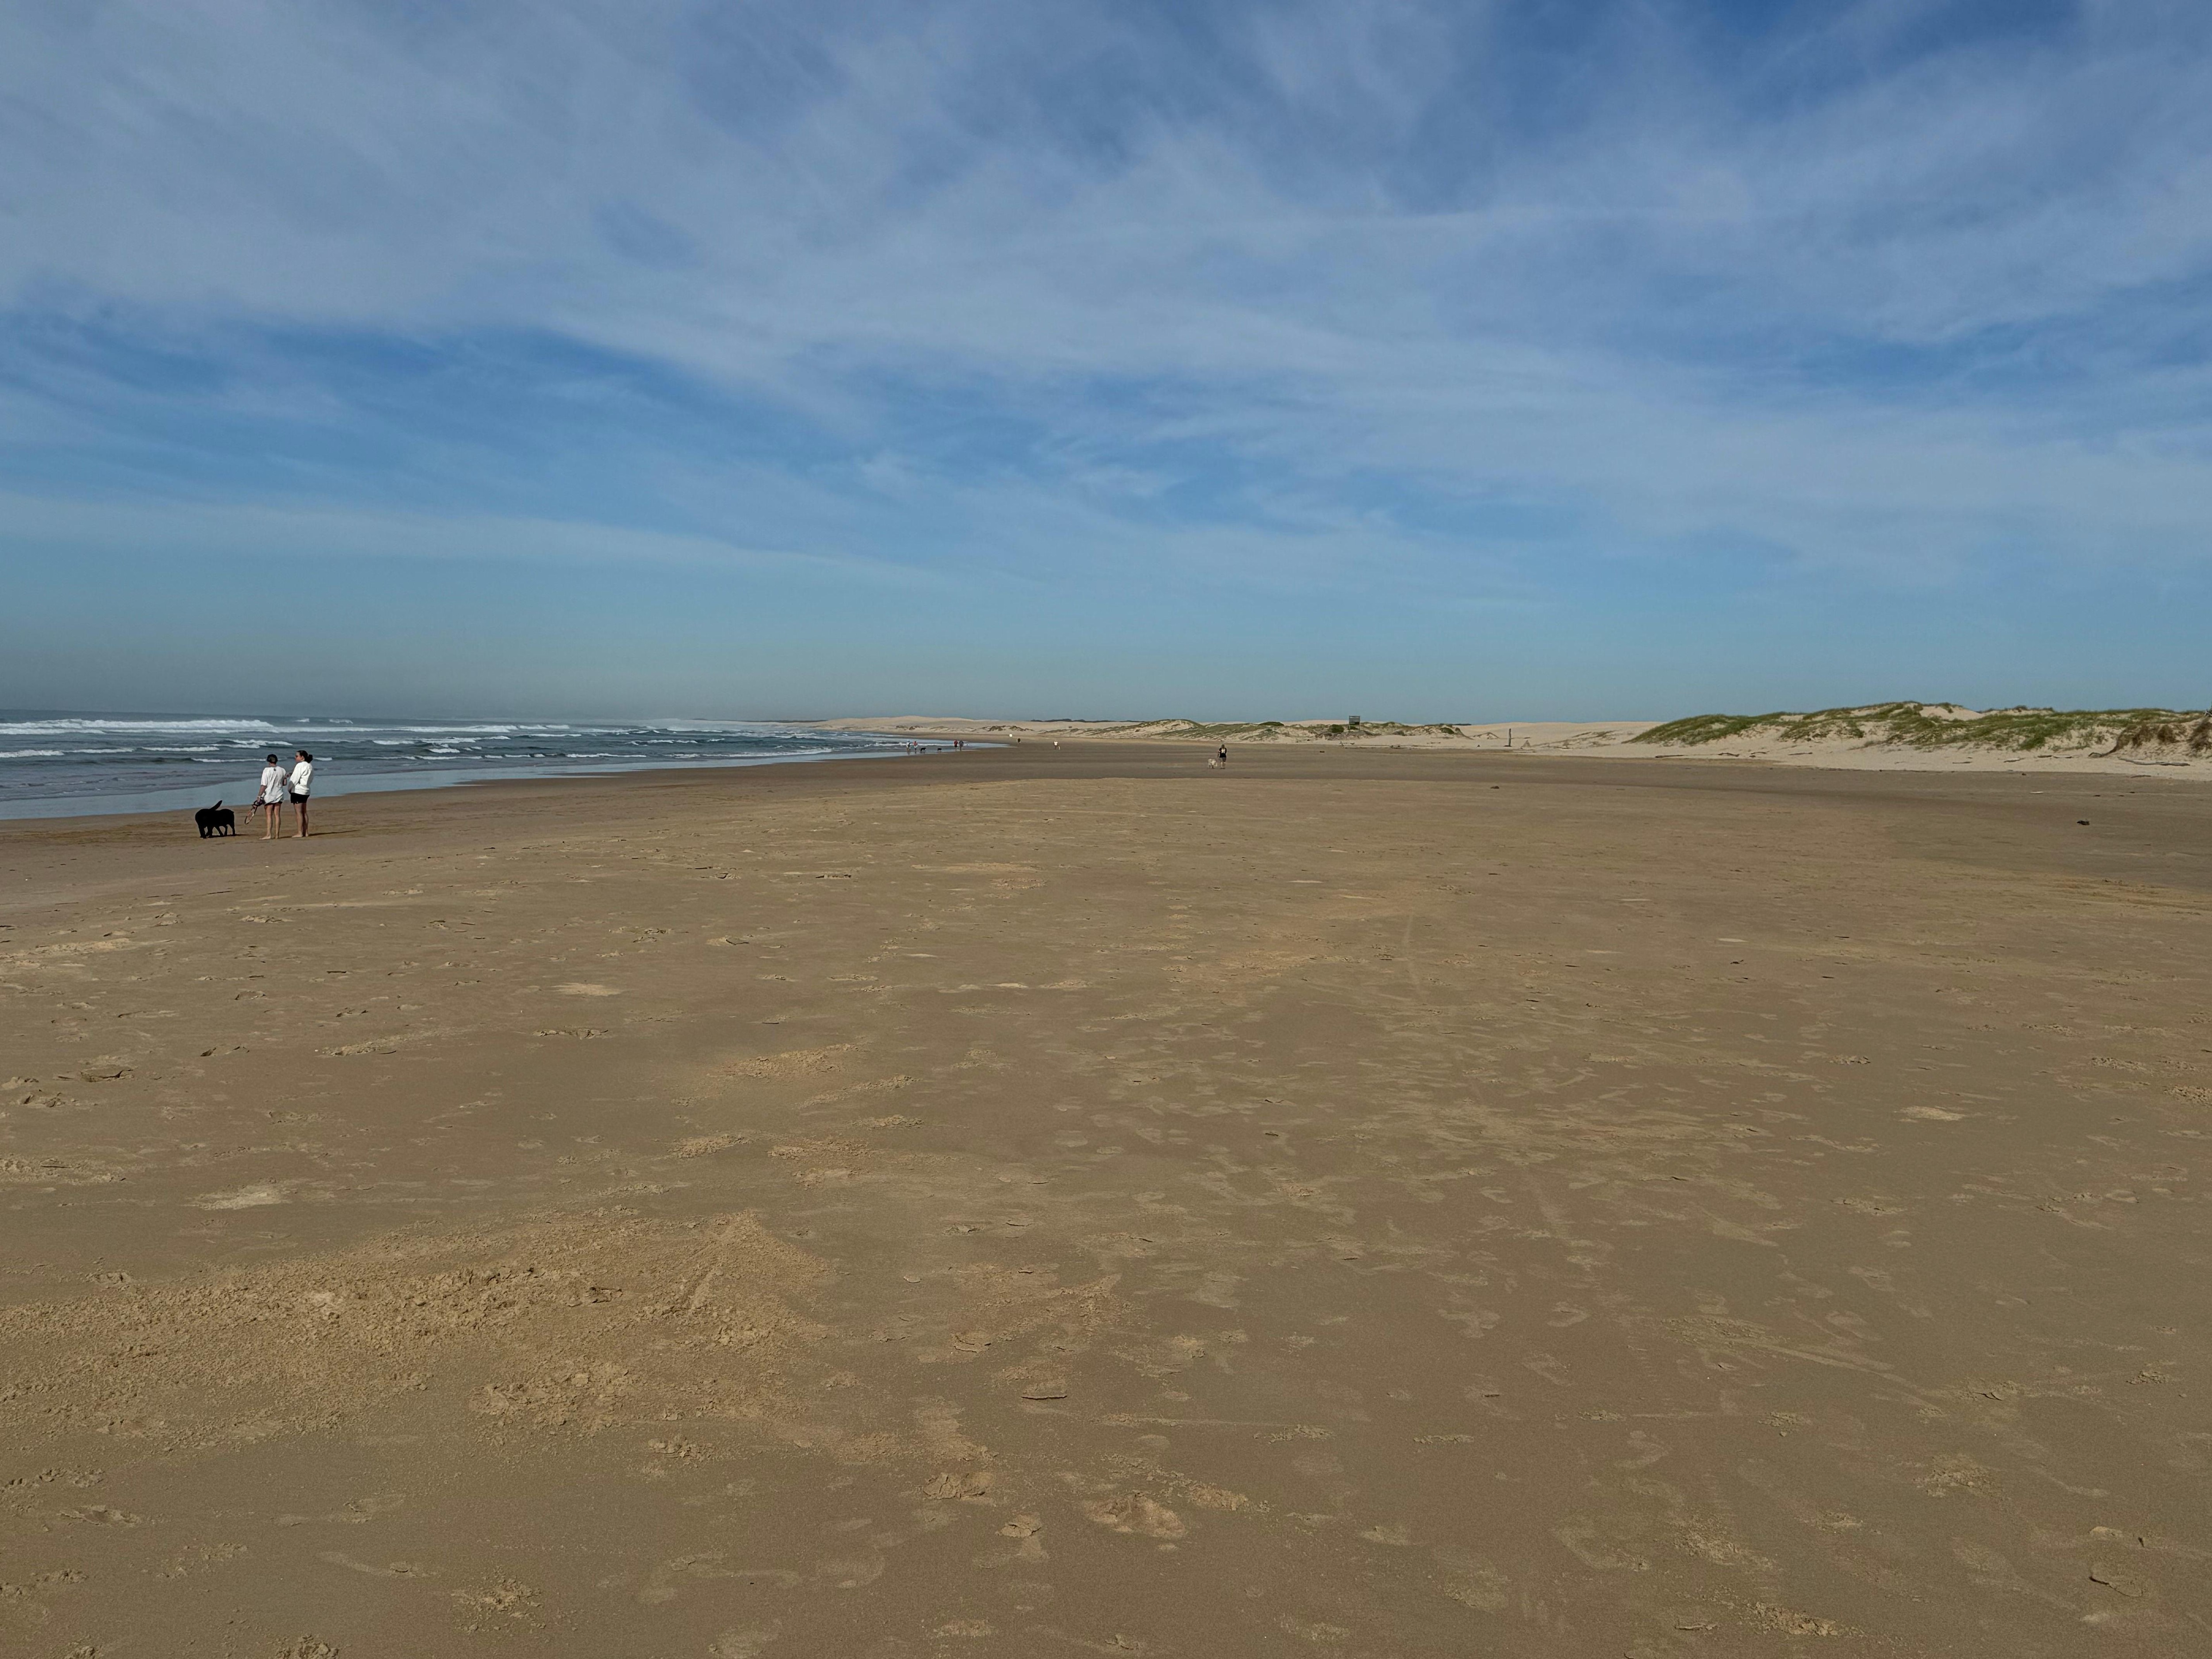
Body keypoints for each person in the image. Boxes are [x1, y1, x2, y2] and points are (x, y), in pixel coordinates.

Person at [253, 752, 288, 839]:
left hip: (269, 795)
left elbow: (264, 785)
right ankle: (277, 835)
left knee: (269, 815)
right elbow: (284, 783)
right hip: (279, 794)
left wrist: (259, 796)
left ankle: (269, 834)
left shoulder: (267, 771)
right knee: (277, 815)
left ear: (269, 761)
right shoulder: (282, 770)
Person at [288, 749, 315, 837]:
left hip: (298, 791)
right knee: (304, 812)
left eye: (297, 756)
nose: (296, 758)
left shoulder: (300, 765)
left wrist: (290, 788)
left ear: (302, 757)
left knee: (299, 813)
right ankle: (306, 832)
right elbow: (309, 777)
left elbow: (295, 779)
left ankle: (300, 832)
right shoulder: (310, 766)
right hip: (306, 790)